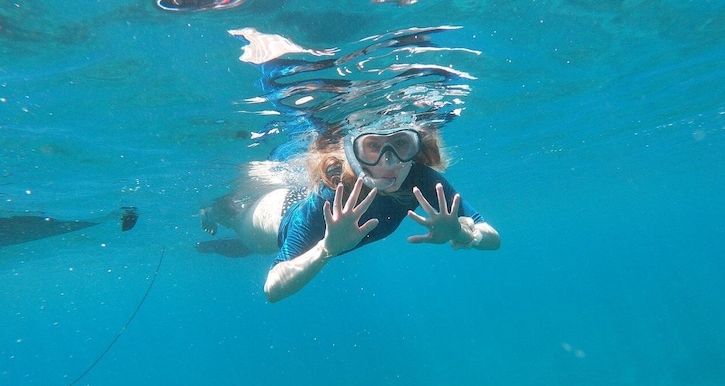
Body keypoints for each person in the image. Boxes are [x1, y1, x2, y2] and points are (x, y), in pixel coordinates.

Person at [200, 124, 500, 302]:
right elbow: (272, 289)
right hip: (278, 214)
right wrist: (327, 249)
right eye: (373, 147)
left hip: (302, 220)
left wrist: (463, 232)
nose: (389, 162)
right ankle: (213, 212)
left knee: (248, 243)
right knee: (241, 226)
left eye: (400, 144)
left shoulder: (420, 180)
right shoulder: (329, 197)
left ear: (416, 145)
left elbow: (493, 238)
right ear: (353, 153)